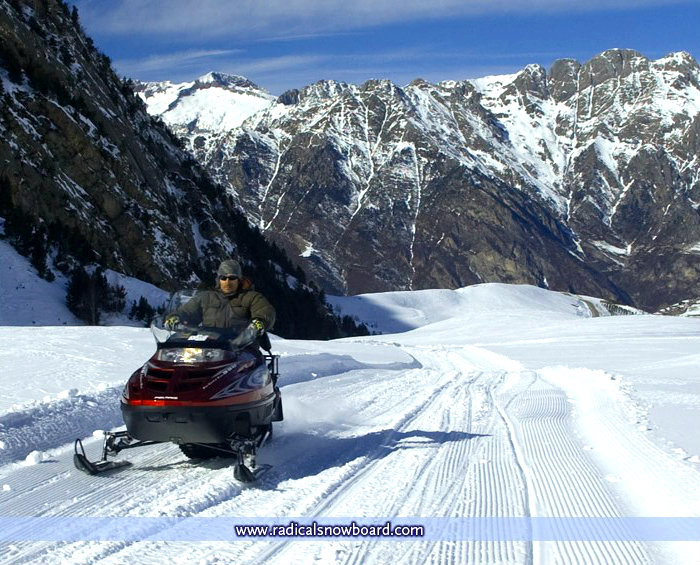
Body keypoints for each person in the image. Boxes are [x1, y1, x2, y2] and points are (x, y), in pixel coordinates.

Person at [164, 259, 275, 347]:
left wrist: (259, 322)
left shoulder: (251, 297)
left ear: (239, 280)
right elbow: (186, 311)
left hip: (242, 347)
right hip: (210, 346)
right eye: (223, 278)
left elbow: (265, 310)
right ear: (218, 280)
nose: (227, 282)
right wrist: (175, 317)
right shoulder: (206, 297)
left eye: (232, 278)